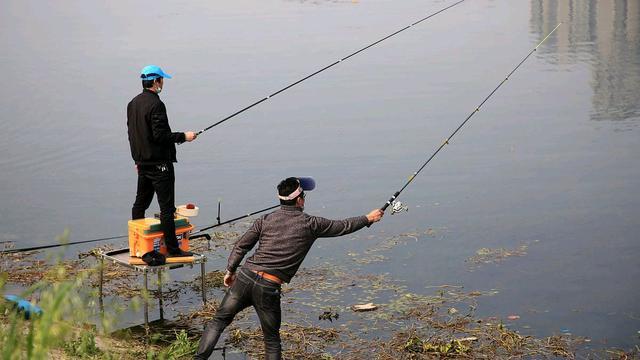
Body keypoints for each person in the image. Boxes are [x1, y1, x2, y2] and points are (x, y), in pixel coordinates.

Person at [194, 177, 385, 359]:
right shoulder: (311, 224)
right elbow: (344, 226)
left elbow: (241, 246)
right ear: (299, 200)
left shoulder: (265, 219)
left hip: (244, 278)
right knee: (271, 341)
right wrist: (368, 218)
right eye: (304, 197)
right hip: (268, 287)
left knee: (218, 322)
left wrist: (230, 270)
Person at [127, 65, 197, 257]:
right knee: (167, 208)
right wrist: (185, 136)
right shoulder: (156, 104)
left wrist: (137, 159)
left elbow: (132, 135)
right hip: (160, 166)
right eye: (162, 80)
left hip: (142, 163)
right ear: (156, 81)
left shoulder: (132, 103)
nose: (163, 83)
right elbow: (160, 136)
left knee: (140, 204)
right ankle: (174, 250)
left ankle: (137, 244)